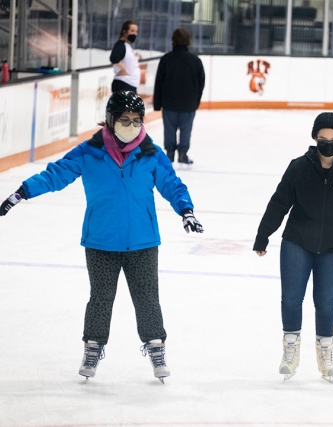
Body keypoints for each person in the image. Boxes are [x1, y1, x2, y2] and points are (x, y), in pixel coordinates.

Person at [0, 91, 204, 383]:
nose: (131, 125)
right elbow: (56, 174)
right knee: (100, 298)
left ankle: (156, 348)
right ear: (110, 120)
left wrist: (186, 210)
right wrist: (22, 192)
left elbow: (172, 184)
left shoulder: (150, 153)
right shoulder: (89, 152)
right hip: (100, 242)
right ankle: (92, 348)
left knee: (147, 298)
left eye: (136, 120)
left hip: (143, 242)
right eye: (124, 120)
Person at [253, 112, 333, 383]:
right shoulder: (298, 167)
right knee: (291, 299)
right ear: (314, 138)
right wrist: (263, 235)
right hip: (297, 243)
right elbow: (278, 203)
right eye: (323, 139)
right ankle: (290, 350)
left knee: (326, 303)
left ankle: (325, 352)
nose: (328, 144)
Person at [153, 28, 205, 165]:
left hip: (169, 102)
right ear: (188, 41)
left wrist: (157, 104)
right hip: (188, 104)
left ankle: (169, 154)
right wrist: (196, 101)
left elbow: (159, 82)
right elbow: (201, 83)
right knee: (185, 129)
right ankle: (183, 154)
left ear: (173, 41)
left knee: (169, 128)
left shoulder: (166, 59)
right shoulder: (195, 61)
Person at [110, 21, 140, 93]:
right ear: (125, 32)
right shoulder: (120, 45)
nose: (135, 34)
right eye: (132, 31)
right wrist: (123, 70)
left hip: (129, 84)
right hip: (123, 84)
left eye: (136, 31)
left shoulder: (127, 46)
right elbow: (114, 58)